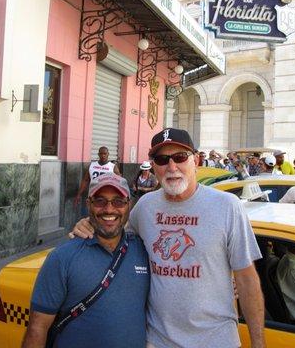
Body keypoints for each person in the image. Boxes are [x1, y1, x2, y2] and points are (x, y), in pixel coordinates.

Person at [72, 128, 266, 348]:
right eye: (162, 159)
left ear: (196, 160)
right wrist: (89, 224)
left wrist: (258, 344)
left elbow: (247, 280)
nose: (172, 167)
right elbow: (114, 237)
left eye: (180, 157)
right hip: (158, 341)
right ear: (153, 165)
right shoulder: (145, 207)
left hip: (217, 340)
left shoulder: (227, 206)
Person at [23, 174, 149, 348]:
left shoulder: (144, 250)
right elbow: (38, 327)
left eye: (119, 201)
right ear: (88, 204)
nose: (109, 209)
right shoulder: (62, 258)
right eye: (100, 201)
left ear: (129, 206)